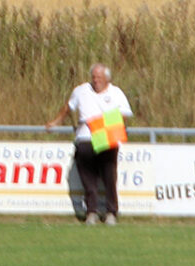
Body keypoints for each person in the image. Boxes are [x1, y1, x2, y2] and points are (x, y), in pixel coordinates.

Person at [46, 63, 133, 225]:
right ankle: (91, 212)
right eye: (94, 77)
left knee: (109, 177)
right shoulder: (81, 90)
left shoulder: (116, 92)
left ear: (107, 78)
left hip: (106, 139)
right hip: (85, 140)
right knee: (88, 180)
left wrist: (103, 125)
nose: (96, 80)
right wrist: (56, 122)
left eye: (99, 77)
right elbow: (68, 108)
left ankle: (111, 212)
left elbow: (125, 114)